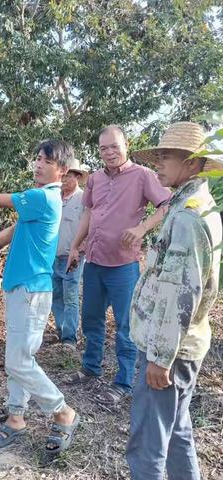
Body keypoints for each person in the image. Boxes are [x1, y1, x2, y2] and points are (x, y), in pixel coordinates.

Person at [0, 140, 80, 455]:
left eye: (46, 161)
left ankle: (63, 412)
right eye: (37, 158)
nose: (38, 164)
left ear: (62, 170)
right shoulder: (38, 200)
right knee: (20, 357)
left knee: (18, 361)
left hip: (31, 290)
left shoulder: (44, 197)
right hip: (23, 286)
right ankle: (16, 416)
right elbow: (17, 228)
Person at [126, 122, 222, 480]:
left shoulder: (186, 217)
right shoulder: (195, 206)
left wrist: (160, 357)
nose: (159, 163)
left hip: (170, 350)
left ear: (194, 164)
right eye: (159, 155)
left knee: (148, 443)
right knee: (177, 431)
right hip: (186, 346)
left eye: (168, 156)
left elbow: (180, 292)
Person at [64, 125, 172, 407]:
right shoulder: (96, 179)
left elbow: (167, 204)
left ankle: (123, 382)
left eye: (115, 146)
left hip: (124, 266)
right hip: (95, 260)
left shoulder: (143, 176)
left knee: (126, 326)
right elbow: (89, 211)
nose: (110, 153)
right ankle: (90, 368)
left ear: (127, 145)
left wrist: (142, 228)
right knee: (91, 319)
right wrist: (76, 245)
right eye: (103, 148)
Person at [51, 158, 89, 350]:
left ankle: (69, 338)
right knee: (55, 295)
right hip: (52, 256)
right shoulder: (55, 197)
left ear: (77, 177)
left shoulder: (83, 199)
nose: (64, 179)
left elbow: (88, 225)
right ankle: (61, 329)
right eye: (62, 176)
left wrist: (80, 249)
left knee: (71, 296)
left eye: (68, 176)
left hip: (72, 257)